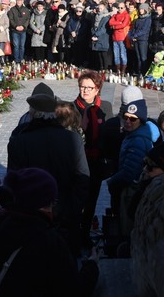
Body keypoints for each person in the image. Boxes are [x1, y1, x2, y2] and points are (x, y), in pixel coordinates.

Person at [0, 168, 99, 297]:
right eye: (51, 202)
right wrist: (91, 266)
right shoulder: (50, 242)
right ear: (42, 204)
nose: (53, 208)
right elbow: (74, 290)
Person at [9, 92, 90, 255]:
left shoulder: (19, 141)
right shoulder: (73, 139)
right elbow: (83, 178)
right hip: (66, 216)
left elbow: (13, 183)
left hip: (31, 218)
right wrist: (70, 209)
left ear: (34, 113)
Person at [72, 70, 115, 243]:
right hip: (78, 161)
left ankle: (85, 233)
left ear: (98, 89)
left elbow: (110, 132)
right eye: (82, 87)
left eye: (90, 88)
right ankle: (74, 234)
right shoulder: (72, 108)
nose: (85, 91)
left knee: (92, 200)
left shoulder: (105, 107)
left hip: (97, 161)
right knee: (77, 200)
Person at [107, 98, 153, 215]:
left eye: (133, 119)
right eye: (125, 117)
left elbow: (129, 173)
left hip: (131, 191)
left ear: (141, 121)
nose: (128, 121)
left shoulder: (137, 140)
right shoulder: (132, 135)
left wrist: (112, 182)